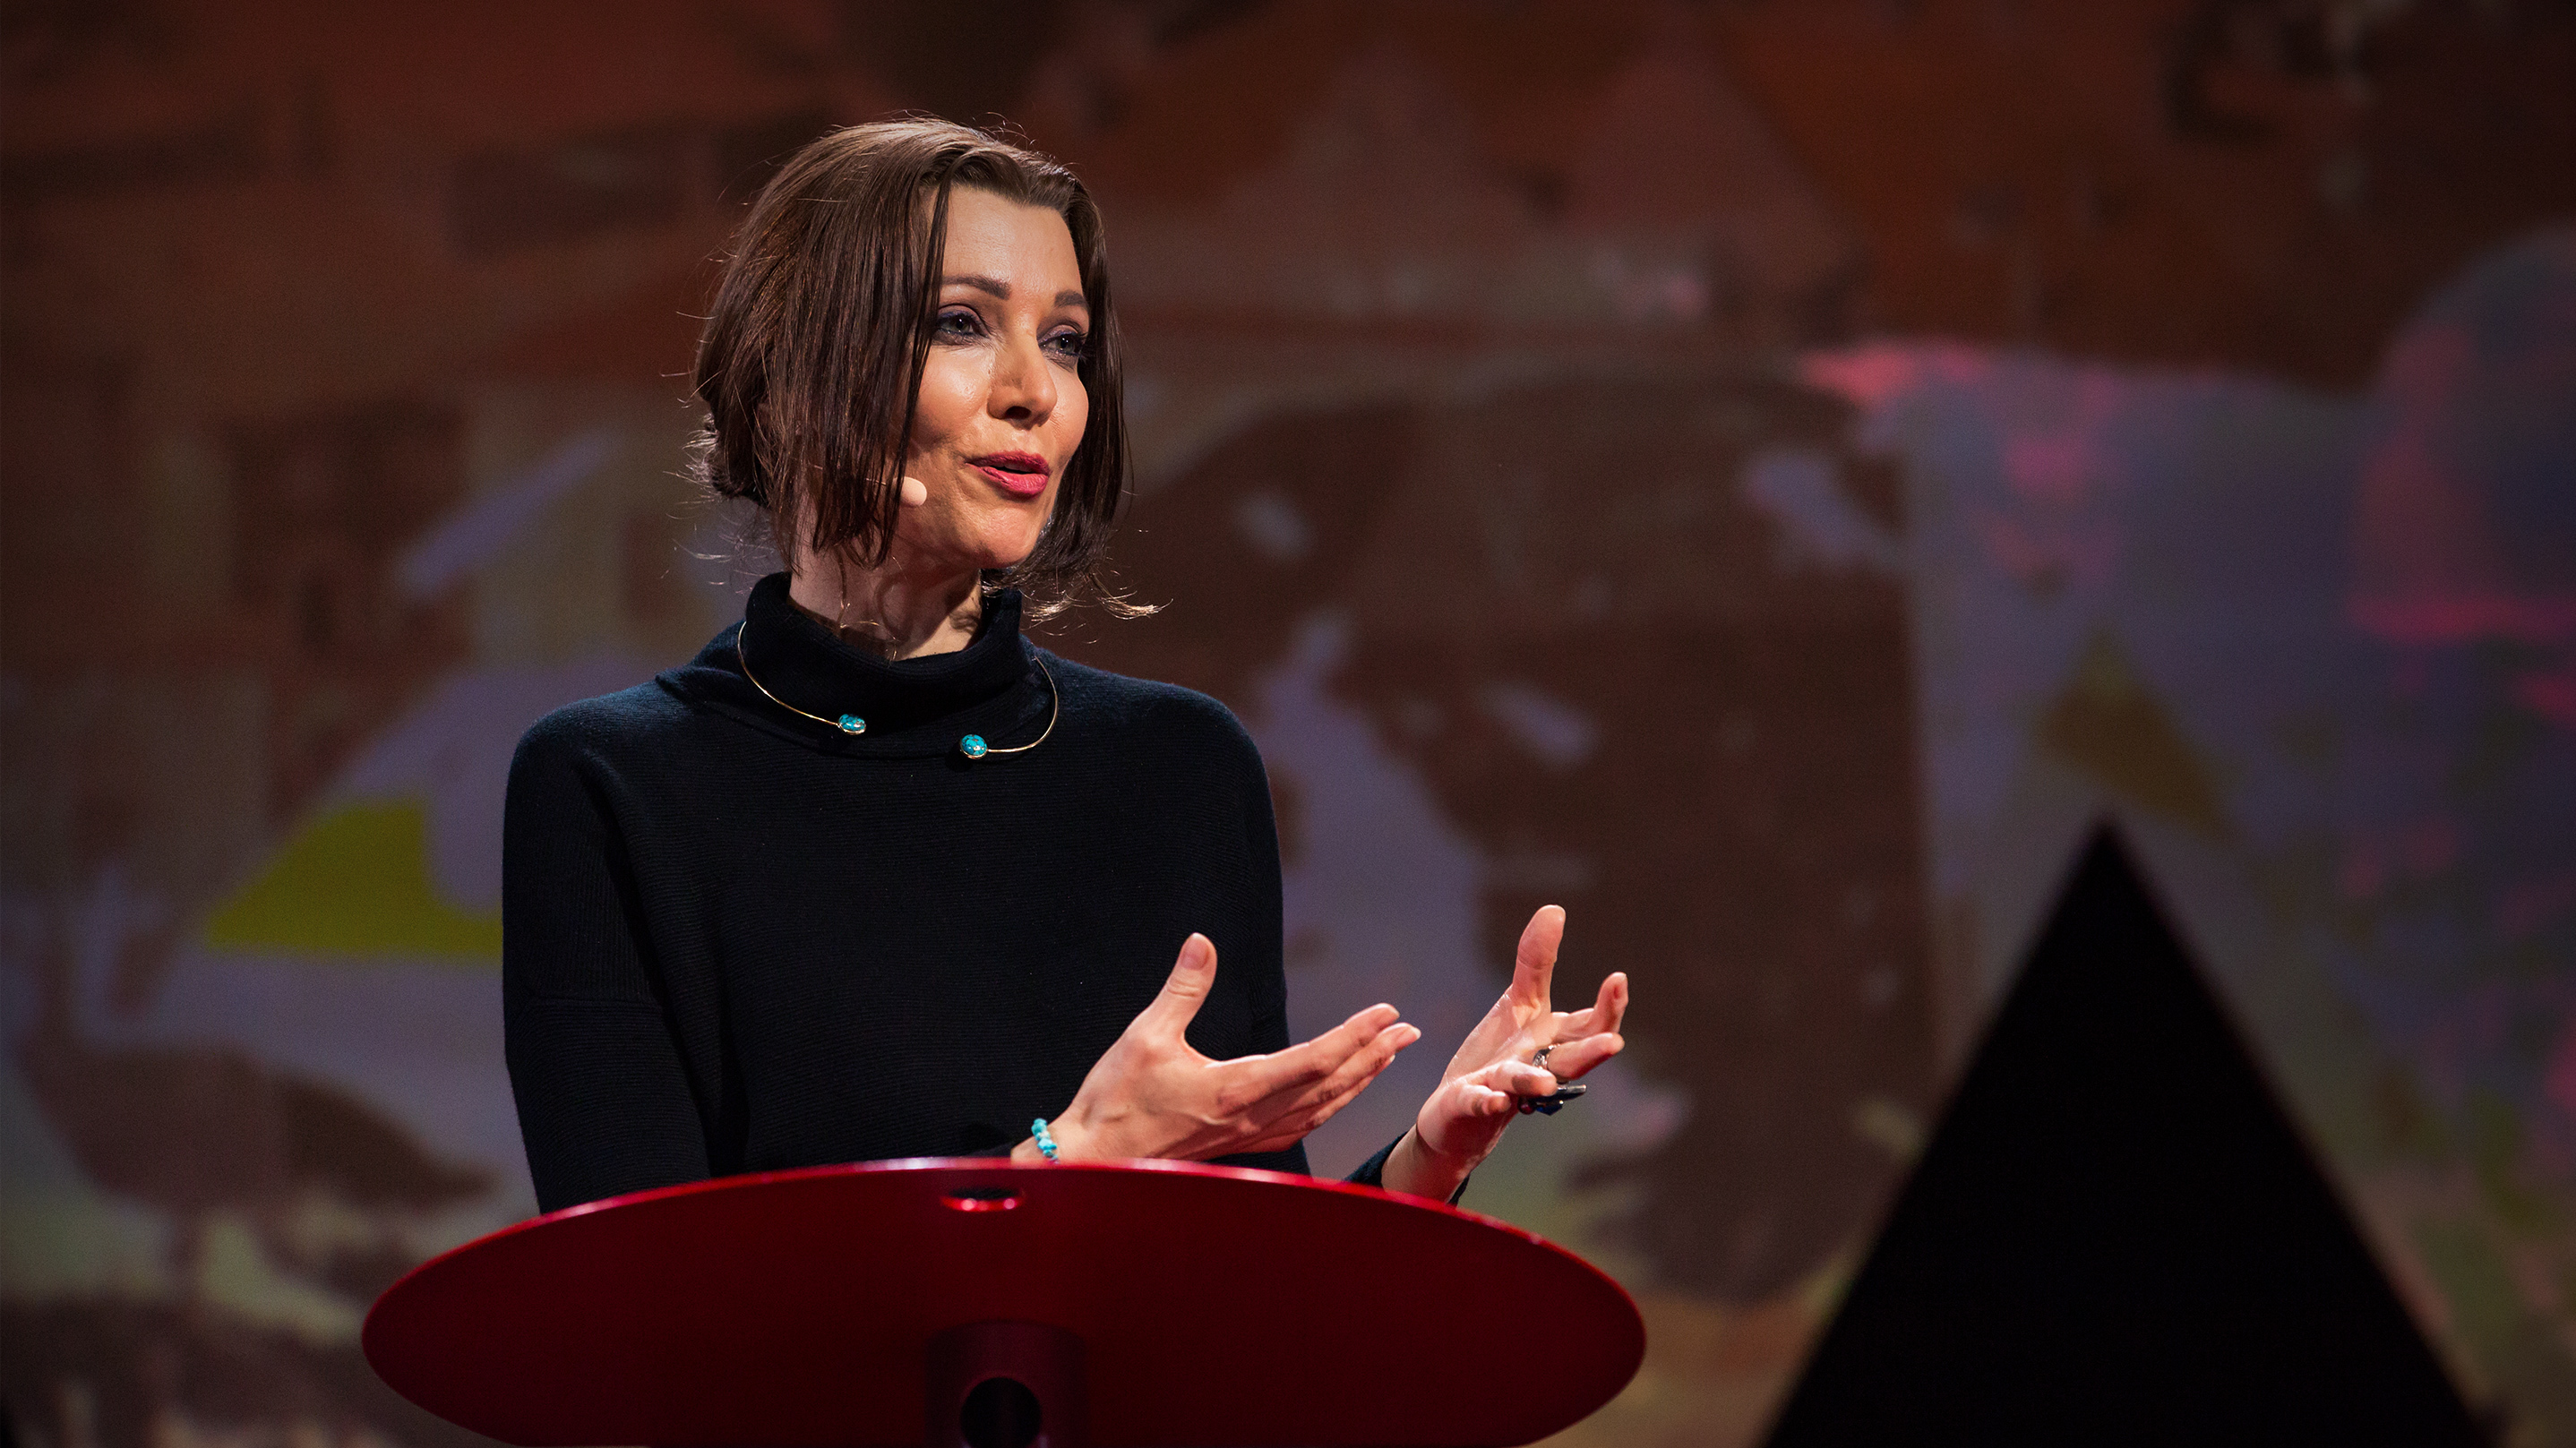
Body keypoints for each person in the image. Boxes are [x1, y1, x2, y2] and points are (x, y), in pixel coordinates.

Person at [502, 118, 1630, 1215]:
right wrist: (1066, 1161)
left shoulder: (1178, 770)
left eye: (1063, 342)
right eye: (959, 323)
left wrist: (1422, 1165)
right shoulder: (613, 787)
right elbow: (640, 1317)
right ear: (790, 373)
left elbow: (1229, 1279)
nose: (1035, 393)